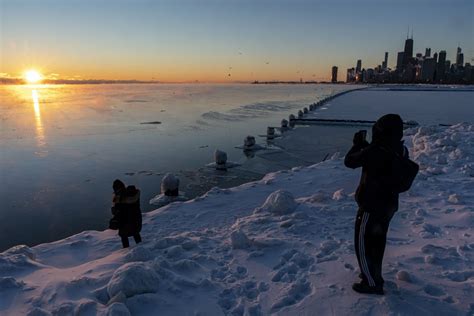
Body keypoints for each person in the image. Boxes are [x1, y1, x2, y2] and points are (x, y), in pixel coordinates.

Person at [344, 114, 408, 295]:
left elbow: (350, 161)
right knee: (377, 241)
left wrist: (357, 144)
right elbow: (374, 158)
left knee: (363, 244)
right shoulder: (400, 149)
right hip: (388, 205)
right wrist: (365, 147)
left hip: (371, 205)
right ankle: (374, 274)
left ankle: (371, 282)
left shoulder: (375, 151)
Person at [112, 179, 142, 248]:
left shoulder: (118, 198)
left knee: (124, 236)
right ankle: (141, 247)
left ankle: (126, 253)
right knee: (135, 233)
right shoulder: (132, 194)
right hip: (135, 220)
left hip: (124, 222)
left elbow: (116, 212)